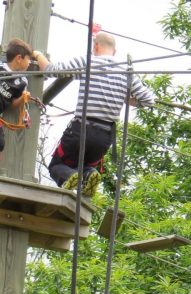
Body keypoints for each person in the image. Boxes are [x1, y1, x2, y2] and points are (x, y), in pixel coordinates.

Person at [34, 32, 155, 196]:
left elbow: (52, 71)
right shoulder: (126, 72)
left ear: (96, 46)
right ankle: (89, 174)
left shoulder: (89, 62)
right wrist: (127, 99)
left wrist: (37, 54)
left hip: (81, 129)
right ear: (115, 51)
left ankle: (72, 177)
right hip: (105, 136)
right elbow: (149, 100)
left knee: (57, 165)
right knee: (84, 165)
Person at [0, 39, 37, 155]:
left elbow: (13, 103)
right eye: (28, 59)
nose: (30, 63)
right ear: (19, 58)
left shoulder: (22, 81)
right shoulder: (1, 68)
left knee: (1, 144)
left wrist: (23, 98)